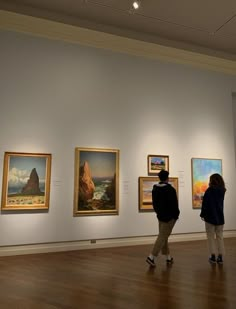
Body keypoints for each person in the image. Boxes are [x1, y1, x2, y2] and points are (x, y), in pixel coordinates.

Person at [146, 169, 180, 267]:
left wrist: (158, 213)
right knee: (162, 237)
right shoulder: (170, 190)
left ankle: (168, 257)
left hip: (160, 216)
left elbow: (154, 204)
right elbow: (174, 205)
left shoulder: (155, 189)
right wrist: (176, 215)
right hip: (169, 218)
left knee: (163, 236)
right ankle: (151, 257)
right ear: (167, 178)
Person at [200, 173, 226, 264]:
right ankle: (220, 257)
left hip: (210, 218)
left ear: (212, 180)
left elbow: (205, 204)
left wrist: (202, 214)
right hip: (220, 217)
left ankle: (213, 256)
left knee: (210, 237)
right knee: (220, 237)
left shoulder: (209, 191)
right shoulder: (222, 190)